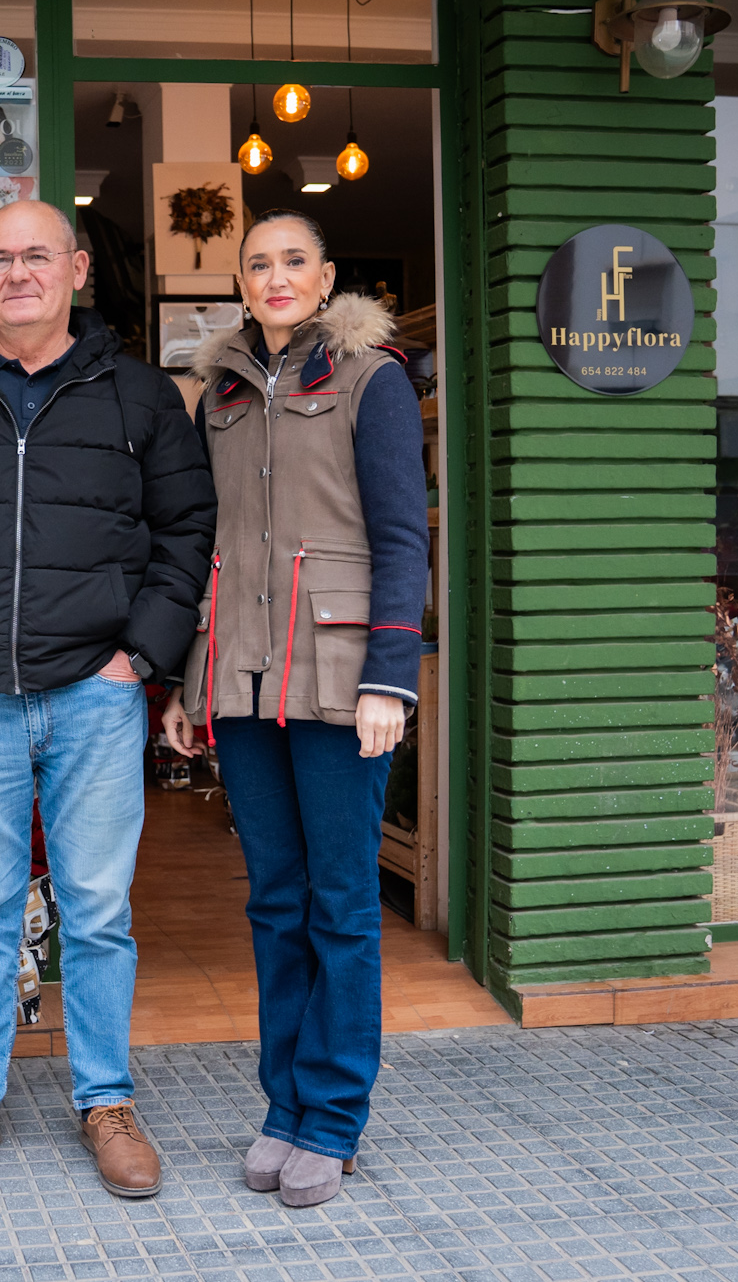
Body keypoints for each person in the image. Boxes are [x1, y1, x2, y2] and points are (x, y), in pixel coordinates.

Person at [0, 199, 215, 1198]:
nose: (17, 272)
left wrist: (136, 659)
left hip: (94, 695)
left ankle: (104, 1098)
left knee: (95, 912)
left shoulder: (138, 394)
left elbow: (185, 531)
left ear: (75, 268)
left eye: (36, 256)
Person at [161, 209, 426, 1209]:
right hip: (239, 680)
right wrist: (191, 681)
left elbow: (402, 534)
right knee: (273, 901)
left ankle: (333, 1115)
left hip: (340, 679)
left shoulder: (374, 380)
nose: (275, 278)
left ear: (323, 281)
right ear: (242, 282)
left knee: (341, 904)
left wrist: (387, 678)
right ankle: (281, 1105)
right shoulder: (218, 392)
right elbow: (207, 543)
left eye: (293, 263)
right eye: (257, 264)